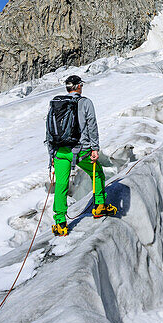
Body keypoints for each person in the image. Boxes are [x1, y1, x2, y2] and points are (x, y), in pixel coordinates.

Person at [45, 74, 116, 236]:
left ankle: (60, 223)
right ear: (78, 87)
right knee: (97, 173)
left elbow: (49, 130)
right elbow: (92, 124)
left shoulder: (57, 104)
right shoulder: (85, 102)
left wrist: (52, 155)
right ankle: (99, 206)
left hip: (60, 151)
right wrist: (95, 148)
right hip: (81, 150)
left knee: (61, 185)